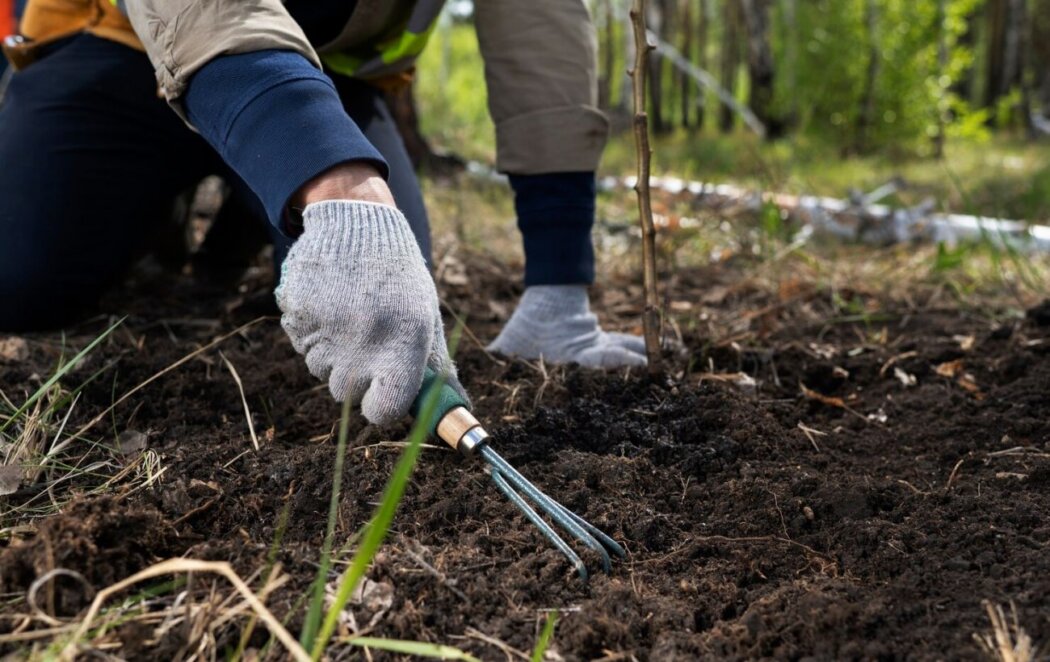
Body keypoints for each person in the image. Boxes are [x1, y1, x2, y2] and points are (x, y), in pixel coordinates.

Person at [0, 0, 647, 426]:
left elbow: (539, 28)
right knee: (21, 279)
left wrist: (558, 283)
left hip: (329, 79)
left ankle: (251, 207)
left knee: (384, 322)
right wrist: (338, 183)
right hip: (122, 50)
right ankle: (166, 208)